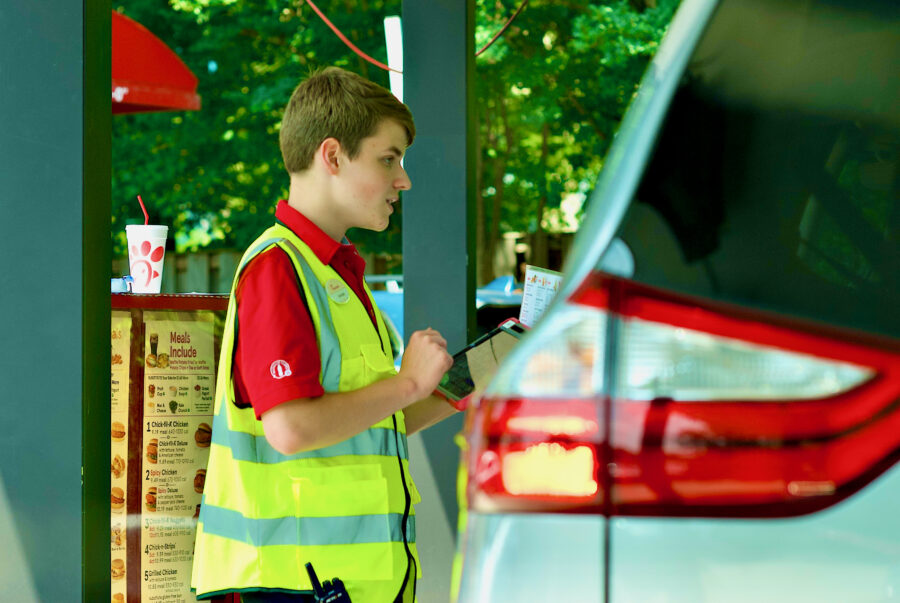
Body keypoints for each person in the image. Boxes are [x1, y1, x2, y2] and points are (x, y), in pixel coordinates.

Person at [191, 67, 457, 603]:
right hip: (290, 586)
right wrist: (406, 385)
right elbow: (291, 428)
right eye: (389, 158)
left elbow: (371, 424)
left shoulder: (334, 273)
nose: (403, 179)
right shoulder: (278, 268)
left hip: (340, 587)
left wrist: (466, 387)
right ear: (332, 157)